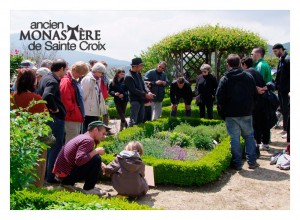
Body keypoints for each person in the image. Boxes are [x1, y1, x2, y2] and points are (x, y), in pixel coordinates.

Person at [216, 54, 259, 170]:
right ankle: (252, 161)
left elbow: (219, 98)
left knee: (234, 138)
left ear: (228, 64)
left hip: (231, 114)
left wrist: (223, 111)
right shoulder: (248, 77)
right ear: (239, 63)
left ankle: (237, 163)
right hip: (246, 112)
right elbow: (255, 95)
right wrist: (251, 107)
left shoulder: (225, 79)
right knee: (249, 136)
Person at [10, 68, 48, 188]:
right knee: (37, 166)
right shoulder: (36, 99)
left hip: (16, 136)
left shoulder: (11, 97)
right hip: (34, 137)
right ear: (32, 82)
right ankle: (35, 190)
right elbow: (45, 118)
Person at [53, 121, 109, 196]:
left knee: (96, 159)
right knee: (96, 159)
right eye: (103, 133)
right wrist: (96, 151)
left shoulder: (83, 137)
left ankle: (67, 185)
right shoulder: (88, 140)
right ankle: (89, 189)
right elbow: (79, 160)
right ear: (95, 130)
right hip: (66, 176)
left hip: (61, 175)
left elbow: (86, 156)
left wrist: (101, 164)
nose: (104, 136)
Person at [37, 59, 67, 183]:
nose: (65, 72)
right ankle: (50, 177)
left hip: (47, 117)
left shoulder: (46, 77)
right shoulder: (53, 81)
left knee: (47, 146)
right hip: (55, 118)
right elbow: (47, 95)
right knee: (55, 146)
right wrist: (54, 108)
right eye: (65, 70)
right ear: (60, 69)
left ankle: (44, 175)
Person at [241, 57, 268, 155]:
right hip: (261, 101)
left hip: (251, 103)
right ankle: (263, 144)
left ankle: (255, 149)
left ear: (244, 64)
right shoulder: (257, 72)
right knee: (260, 123)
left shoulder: (246, 74)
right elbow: (264, 86)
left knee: (252, 126)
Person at [60, 61, 89, 143]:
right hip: (71, 116)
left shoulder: (71, 80)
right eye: (80, 74)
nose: (80, 76)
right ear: (75, 71)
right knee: (71, 140)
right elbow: (65, 99)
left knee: (74, 138)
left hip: (74, 115)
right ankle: (68, 155)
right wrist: (73, 110)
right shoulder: (66, 81)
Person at [124, 57, 155, 127]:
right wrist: (145, 95)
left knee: (141, 120)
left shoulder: (138, 74)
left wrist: (148, 92)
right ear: (135, 66)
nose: (142, 67)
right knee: (133, 121)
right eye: (141, 65)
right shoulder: (128, 77)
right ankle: (130, 135)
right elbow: (133, 90)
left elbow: (143, 85)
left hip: (141, 99)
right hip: (135, 101)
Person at [81, 62, 106, 133]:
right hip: (88, 111)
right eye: (102, 73)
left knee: (93, 130)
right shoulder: (88, 79)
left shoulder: (96, 79)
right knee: (89, 131)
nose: (102, 75)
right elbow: (83, 95)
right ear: (97, 71)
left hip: (94, 111)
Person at [272, 43, 290, 139]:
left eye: (275, 51)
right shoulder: (281, 60)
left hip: (286, 90)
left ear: (280, 49)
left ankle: (288, 131)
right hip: (281, 89)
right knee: (283, 110)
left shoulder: (288, 60)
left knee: (287, 110)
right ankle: (285, 129)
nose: (274, 53)